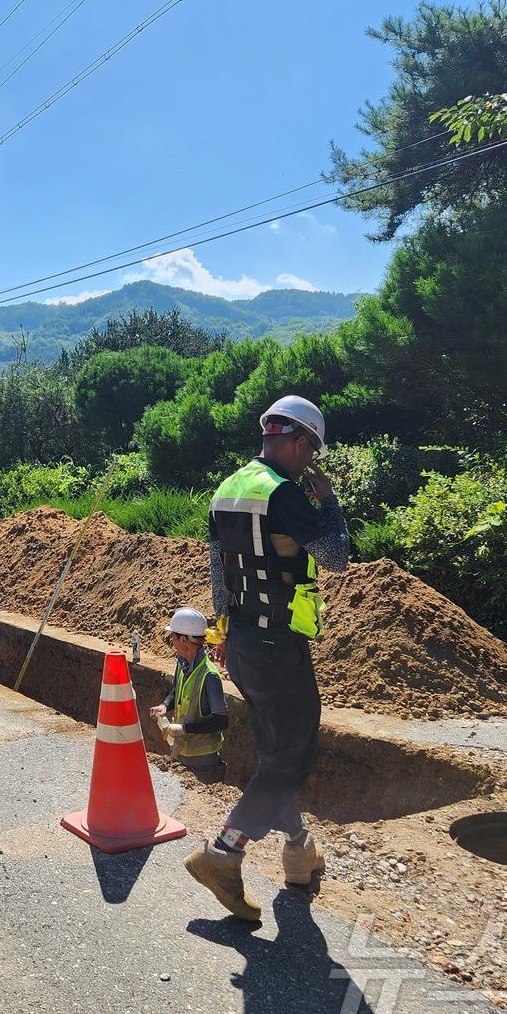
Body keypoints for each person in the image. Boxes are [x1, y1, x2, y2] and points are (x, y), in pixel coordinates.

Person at [184, 394, 349, 922]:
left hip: (243, 643)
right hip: (278, 643)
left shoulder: (228, 488)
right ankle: (224, 851)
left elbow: (216, 572)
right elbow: (337, 558)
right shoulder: (283, 494)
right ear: (299, 441)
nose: (311, 466)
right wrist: (328, 502)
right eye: (312, 455)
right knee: (290, 757)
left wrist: (225, 635)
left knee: (279, 749)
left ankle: (299, 849)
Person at [149, 607, 228, 785]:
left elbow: (221, 721)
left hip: (203, 765)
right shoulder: (182, 664)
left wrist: (184, 729)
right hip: (180, 755)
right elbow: (177, 691)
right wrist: (164, 705)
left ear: (184, 639)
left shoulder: (210, 676)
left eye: (174, 637)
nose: (172, 642)